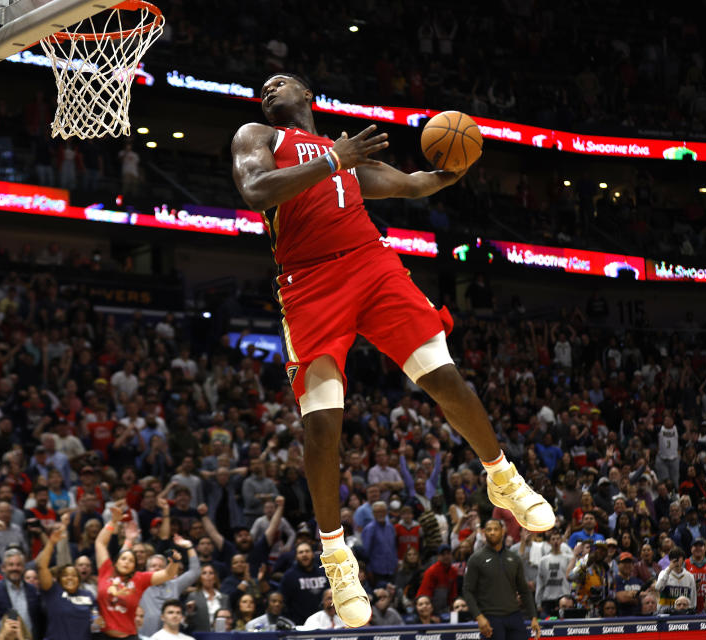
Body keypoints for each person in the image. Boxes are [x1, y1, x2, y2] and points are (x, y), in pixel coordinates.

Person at [231, 72, 555, 626]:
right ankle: (337, 556)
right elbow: (256, 191)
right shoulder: (258, 135)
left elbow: (410, 184)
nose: (268, 87)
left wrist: (449, 171)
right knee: (322, 424)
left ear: (308, 96)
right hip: (308, 283)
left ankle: (502, 476)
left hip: (371, 264)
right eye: (264, 84)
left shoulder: (348, 155)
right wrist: (336, 159)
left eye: (280, 82)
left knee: (443, 375)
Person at [96, 500, 180, 639]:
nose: (127, 562)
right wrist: (113, 522)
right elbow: (100, 543)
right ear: (116, 562)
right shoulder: (106, 570)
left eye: (131, 561)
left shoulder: (139, 578)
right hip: (103, 636)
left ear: (135, 567)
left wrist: (175, 562)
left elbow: (167, 573)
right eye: (123, 559)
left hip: (129, 636)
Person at [462, 520, 540, 640]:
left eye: (496, 529)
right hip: (490, 618)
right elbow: (467, 591)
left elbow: (524, 590)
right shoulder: (476, 559)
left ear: (503, 531)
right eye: (489, 529)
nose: (492, 532)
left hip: (514, 616)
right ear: (484, 532)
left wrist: (533, 616)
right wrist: (479, 617)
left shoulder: (514, 558)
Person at [36, 517, 94, 640]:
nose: (70, 578)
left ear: (79, 579)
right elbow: (41, 566)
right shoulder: (53, 591)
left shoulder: (88, 595)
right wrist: (51, 543)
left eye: (73, 575)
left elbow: (96, 621)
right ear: (58, 579)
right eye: (65, 575)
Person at [138, 535, 200, 636]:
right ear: (146, 570)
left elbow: (195, 572)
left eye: (161, 566)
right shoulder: (140, 584)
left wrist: (189, 547)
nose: (157, 568)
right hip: (145, 636)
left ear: (167, 569)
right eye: (153, 566)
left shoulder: (175, 585)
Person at [0, 548, 42, 639]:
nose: (15, 568)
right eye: (11, 565)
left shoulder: (33, 590)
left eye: (18, 565)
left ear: (23, 567)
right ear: (3, 568)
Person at [655, 548, 696, 613]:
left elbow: (693, 599)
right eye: (673, 559)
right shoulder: (663, 573)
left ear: (683, 560)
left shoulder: (690, 576)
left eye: (678, 558)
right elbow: (658, 587)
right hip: (665, 613)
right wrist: (669, 569)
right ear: (670, 560)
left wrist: (690, 612)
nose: (676, 562)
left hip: (683, 613)